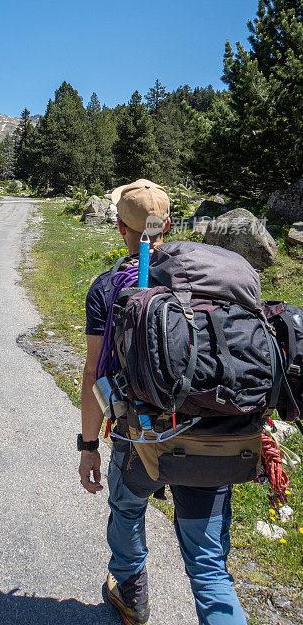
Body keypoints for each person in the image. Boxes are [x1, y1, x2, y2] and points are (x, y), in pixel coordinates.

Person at [78, 179, 247, 625]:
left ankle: (131, 590)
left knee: (129, 507)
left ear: (120, 227)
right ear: (167, 225)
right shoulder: (210, 277)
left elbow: (94, 374)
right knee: (209, 566)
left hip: (143, 436)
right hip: (216, 430)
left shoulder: (108, 287)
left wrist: (88, 446)